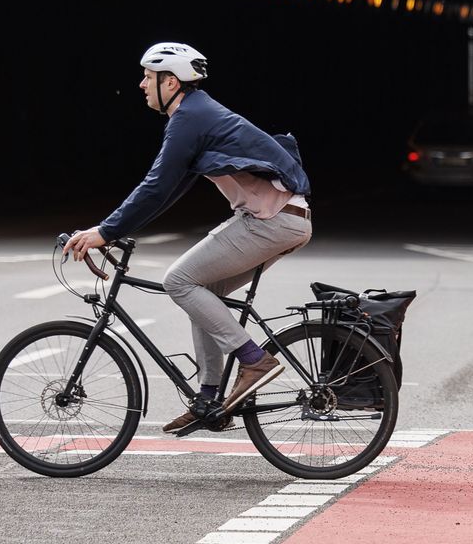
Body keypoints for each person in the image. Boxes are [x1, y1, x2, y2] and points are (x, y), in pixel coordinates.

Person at [62, 43, 313, 434]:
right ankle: (209, 399)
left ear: (171, 81)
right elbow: (172, 186)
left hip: (272, 220)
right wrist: (117, 230)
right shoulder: (199, 115)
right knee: (202, 290)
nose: (141, 83)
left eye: (148, 76)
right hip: (281, 219)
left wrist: (105, 231)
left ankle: (254, 360)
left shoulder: (191, 118)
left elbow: (156, 185)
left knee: (178, 280)